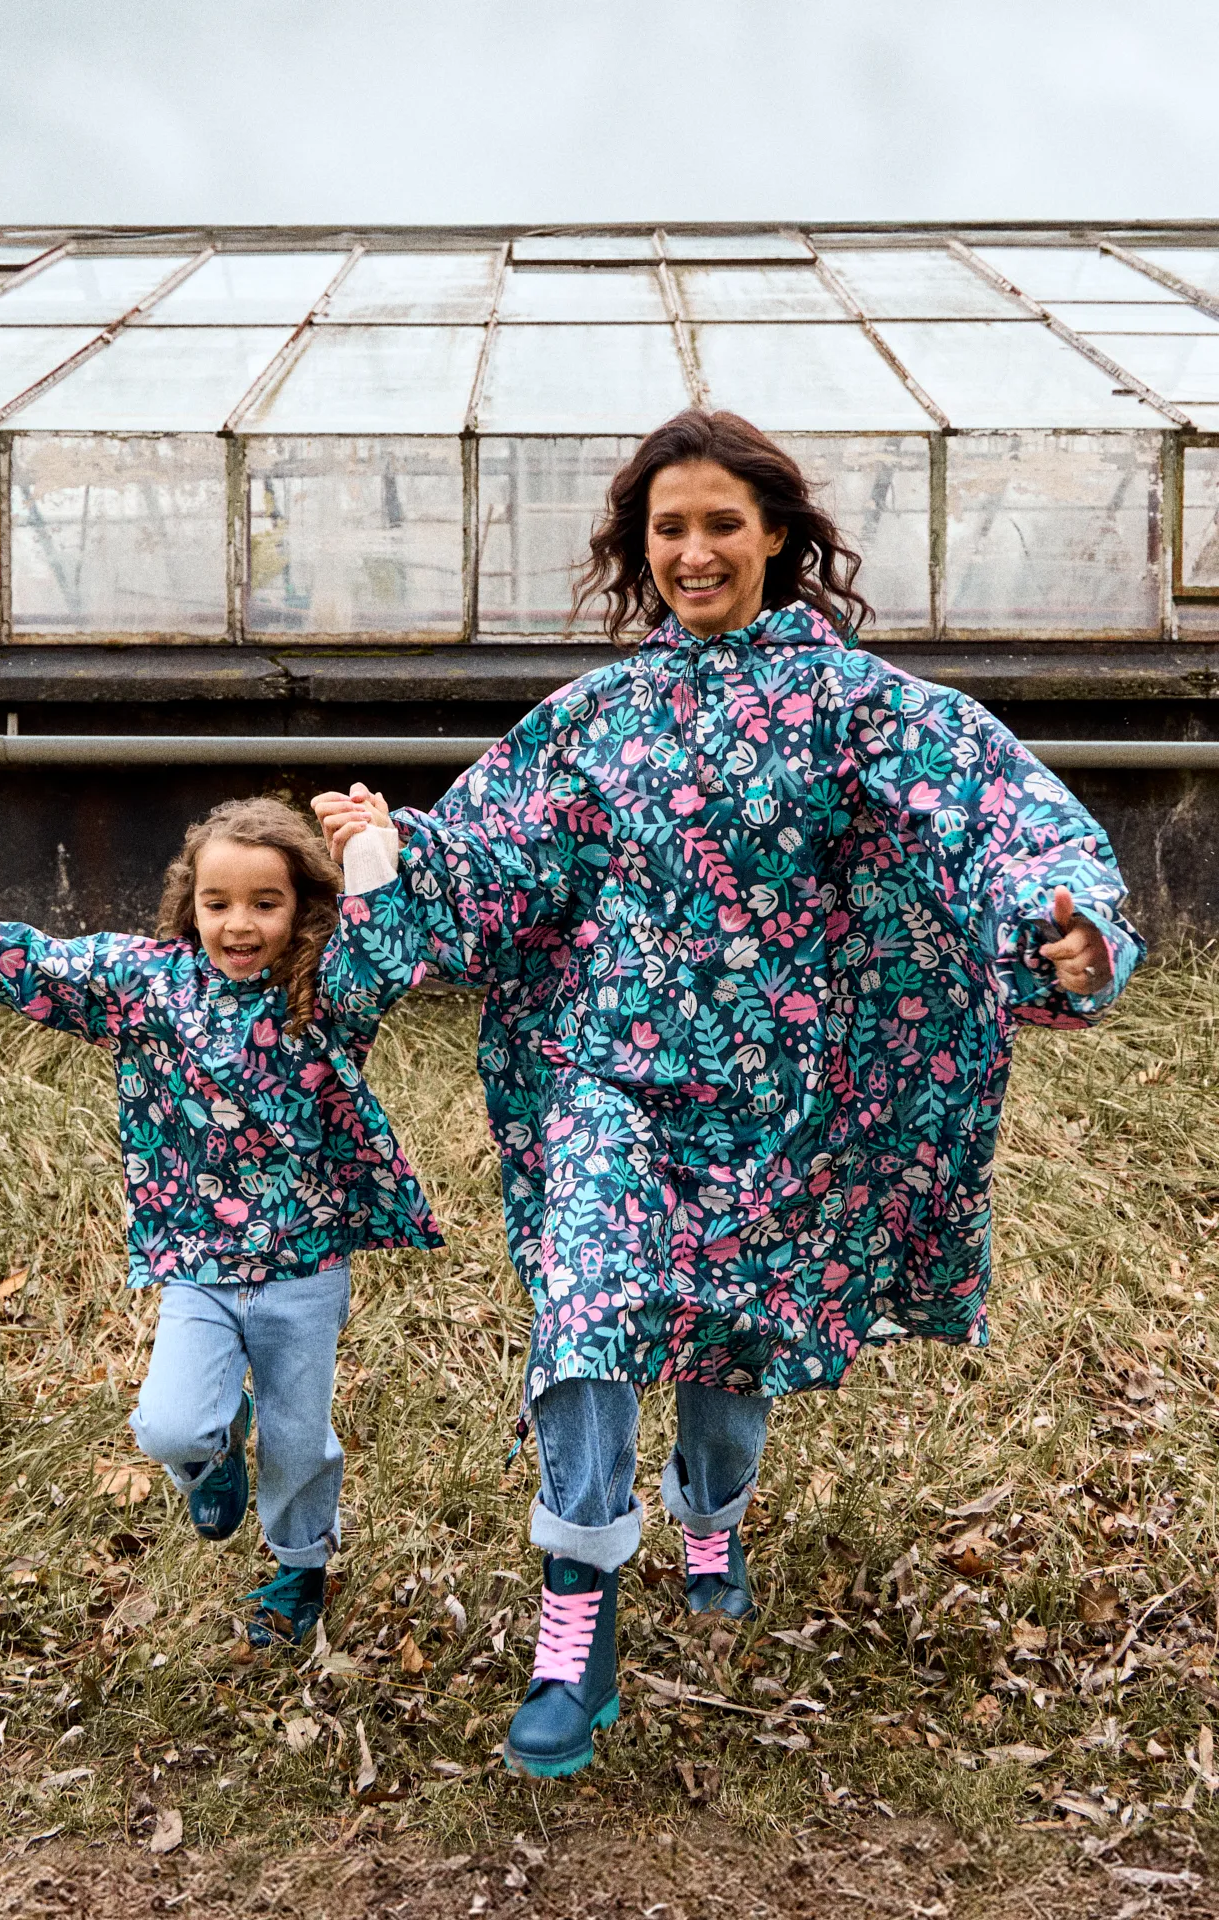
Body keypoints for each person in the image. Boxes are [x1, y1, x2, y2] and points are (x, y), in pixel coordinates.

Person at [314, 408, 1143, 1779]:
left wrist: (1072, 922)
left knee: (729, 1344)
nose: (694, 552)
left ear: (776, 538)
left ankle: (712, 1515)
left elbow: (1001, 813)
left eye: (720, 524)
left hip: (776, 1097)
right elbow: (483, 867)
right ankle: (574, 1618)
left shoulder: (858, 707)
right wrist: (392, 850)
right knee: (584, 1305)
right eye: (669, 529)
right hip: (605, 1079)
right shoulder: (591, 722)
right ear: (641, 550)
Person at [0, 795, 441, 1650]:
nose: (239, 924)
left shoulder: (325, 991)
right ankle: (212, 1451)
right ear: (188, 905)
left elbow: (390, 959)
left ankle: (300, 1567)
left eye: (265, 904)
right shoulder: (149, 986)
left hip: (306, 1268)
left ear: (304, 907)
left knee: (300, 1440)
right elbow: (44, 961)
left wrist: (374, 852)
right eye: (217, 903)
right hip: (198, 1262)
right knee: (167, 1424)